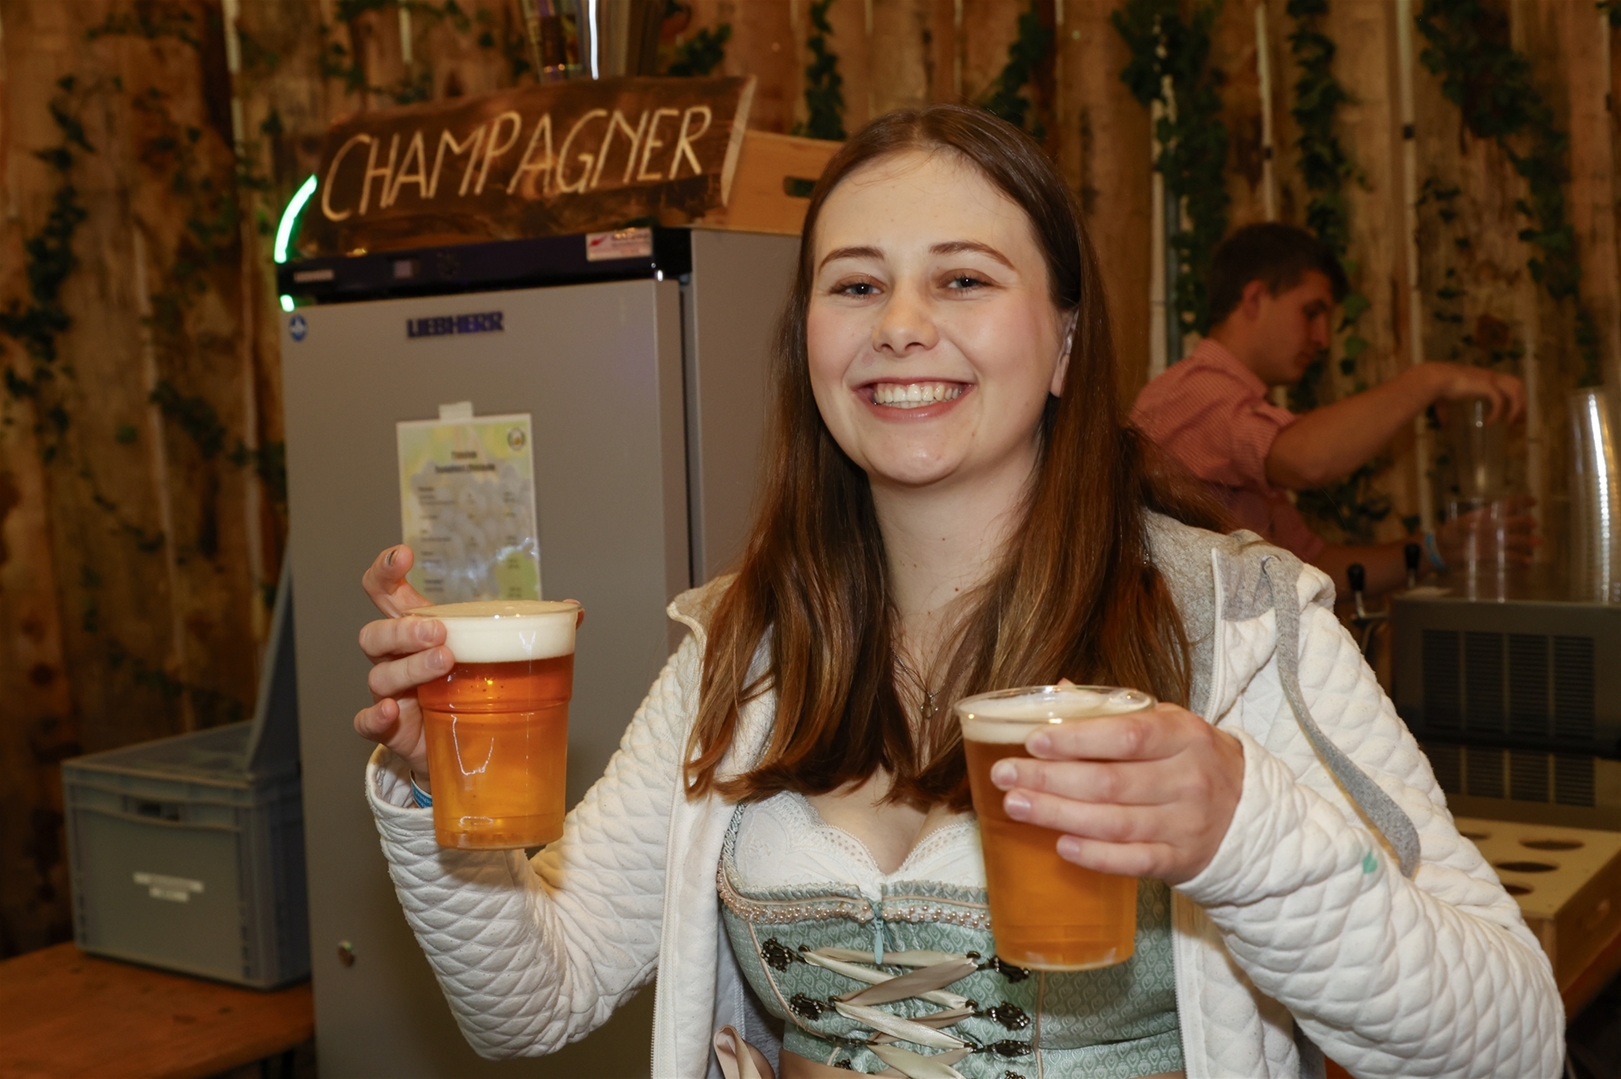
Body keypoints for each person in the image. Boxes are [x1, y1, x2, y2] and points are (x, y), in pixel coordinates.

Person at [354, 107, 1561, 1079]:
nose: (901, 326)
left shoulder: (1237, 627)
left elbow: (1512, 1041)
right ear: (808, 342)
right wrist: (431, 780)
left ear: (1066, 341)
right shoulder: (740, 645)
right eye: (855, 285)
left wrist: (1245, 831)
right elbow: (535, 999)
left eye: (965, 279)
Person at [1132, 222, 1533, 598]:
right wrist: (1428, 380)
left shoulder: (1237, 408)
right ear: (1254, 299)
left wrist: (1438, 548)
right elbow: (1308, 460)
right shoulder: (1193, 391)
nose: (1322, 339)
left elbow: (1313, 567)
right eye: (1311, 312)